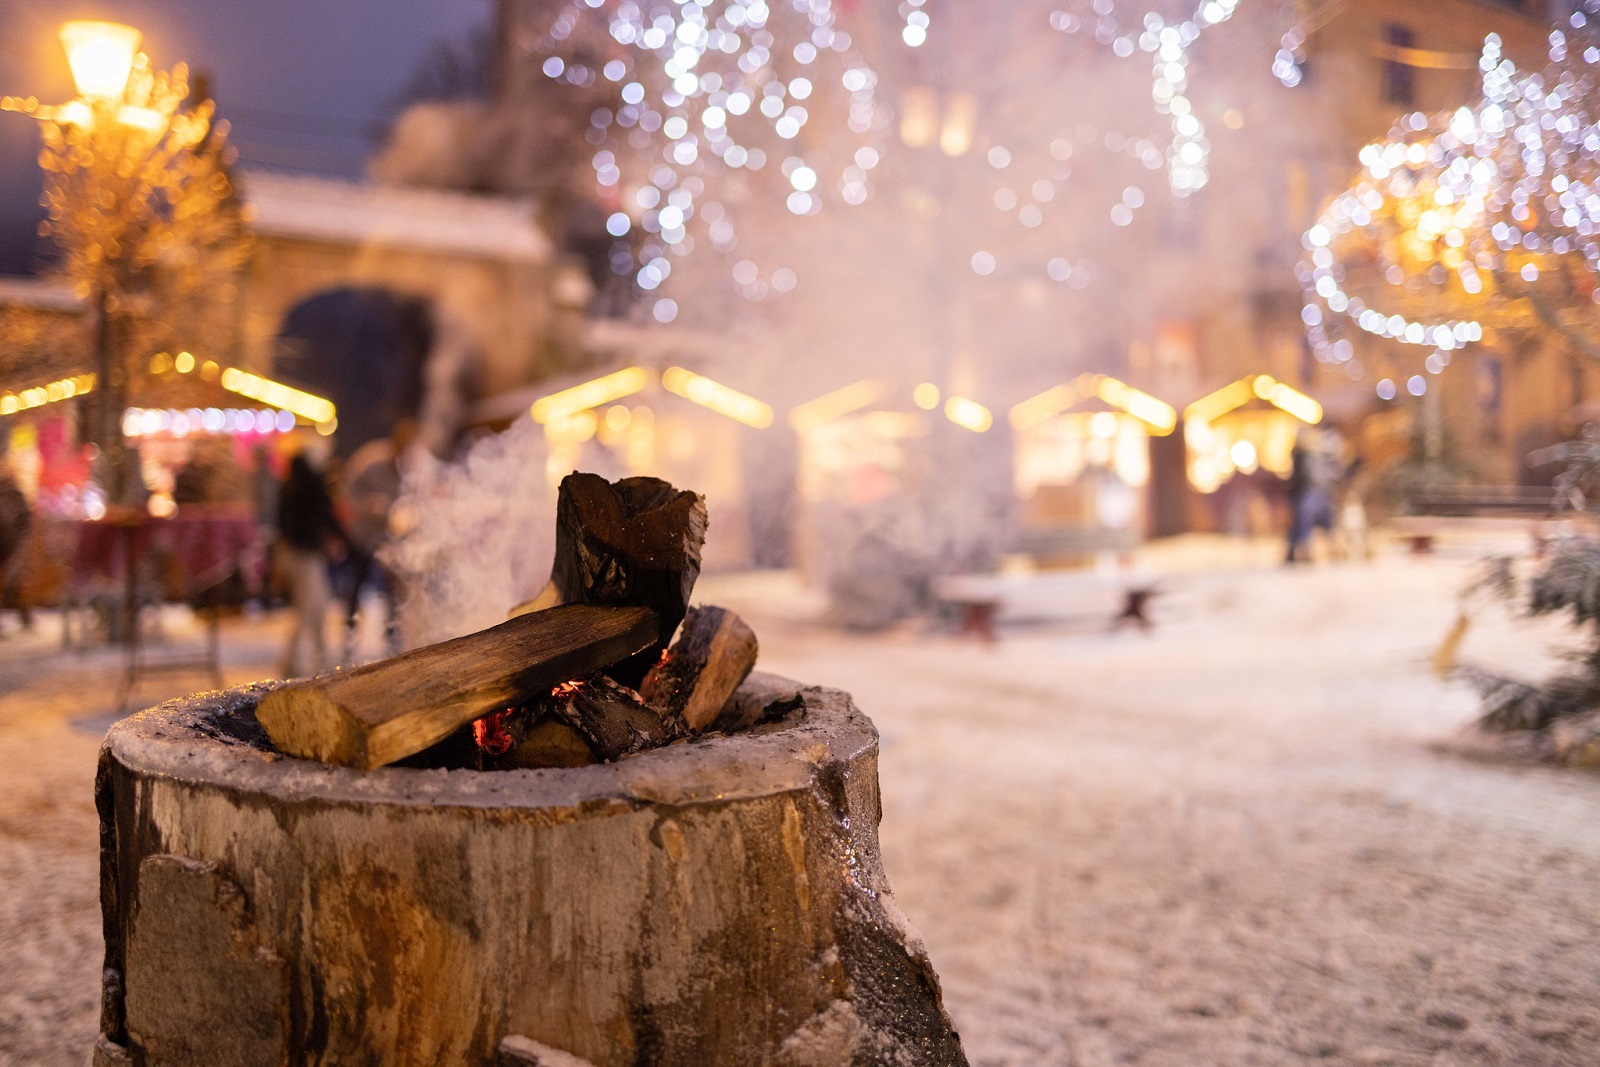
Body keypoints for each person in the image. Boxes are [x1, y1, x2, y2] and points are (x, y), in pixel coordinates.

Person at [276, 443, 347, 677]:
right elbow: (325, 516)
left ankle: (317, 656)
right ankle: (298, 660)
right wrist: (337, 540)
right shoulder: (312, 486)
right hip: (306, 557)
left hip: (295, 554)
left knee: (313, 607)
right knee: (311, 608)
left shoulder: (290, 485)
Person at [0, 466, 32, 631]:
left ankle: (25, 616)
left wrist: (20, 552)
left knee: (15, 579)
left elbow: (26, 525)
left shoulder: (14, 496)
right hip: (8, 545)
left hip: (13, 546)